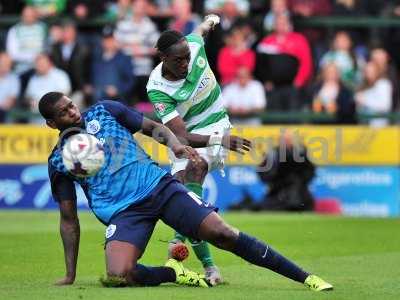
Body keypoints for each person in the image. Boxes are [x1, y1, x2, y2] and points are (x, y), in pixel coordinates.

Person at [40, 91, 332, 291]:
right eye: (64, 112)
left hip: (158, 187)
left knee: (223, 234)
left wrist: (175, 144)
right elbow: (68, 219)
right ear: (52, 124)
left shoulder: (105, 111)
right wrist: (70, 274)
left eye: (71, 104)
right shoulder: (58, 161)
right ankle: (174, 272)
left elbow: (152, 127)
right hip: (124, 212)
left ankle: (306, 278)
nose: (73, 111)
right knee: (119, 275)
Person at [147, 15, 250, 284]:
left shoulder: (192, 46)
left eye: (187, 58)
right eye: (178, 60)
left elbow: (200, 31)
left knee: (196, 167)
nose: (186, 64)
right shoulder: (157, 89)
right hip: (189, 136)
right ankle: (205, 264)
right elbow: (180, 136)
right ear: (162, 58)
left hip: (217, 125)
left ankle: (193, 252)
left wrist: (210, 21)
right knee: (181, 191)